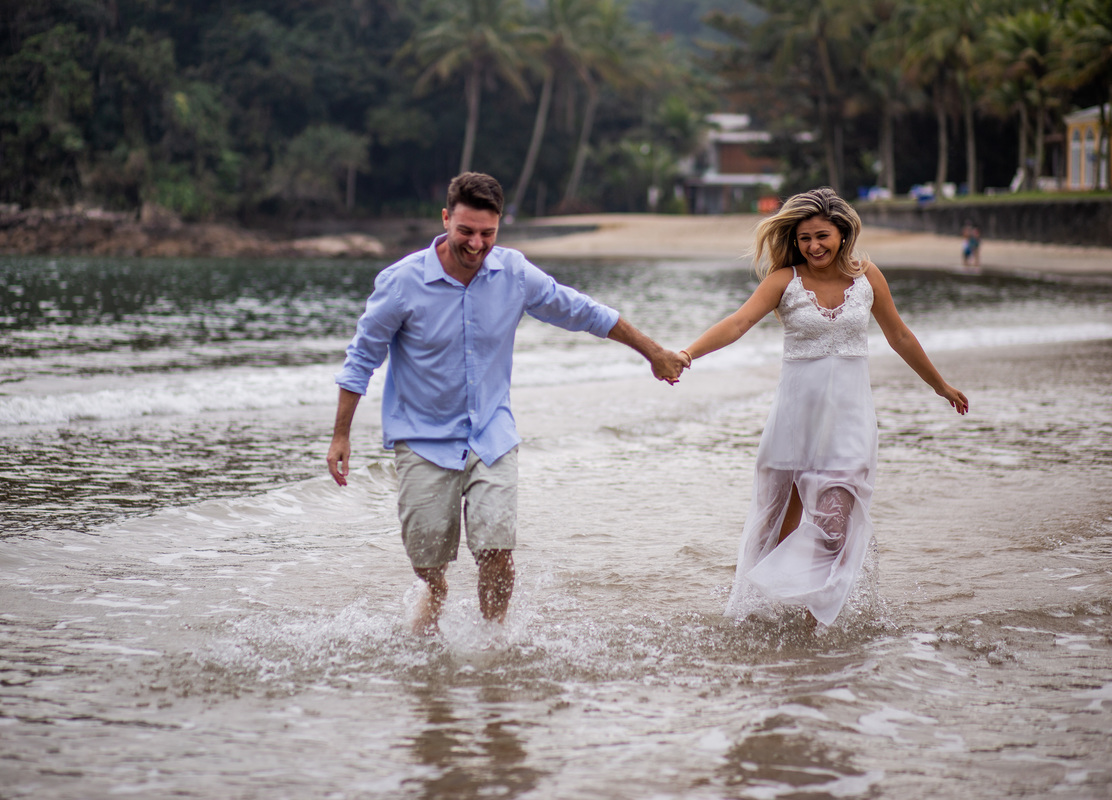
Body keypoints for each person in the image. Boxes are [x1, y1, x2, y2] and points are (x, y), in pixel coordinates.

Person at [328, 172, 687, 635]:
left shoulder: (514, 272)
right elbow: (361, 360)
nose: (477, 245)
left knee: (496, 550)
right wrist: (340, 435)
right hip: (421, 439)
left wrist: (653, 352)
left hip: (491, 435)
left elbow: (584, 312)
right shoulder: (401, 283)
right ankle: (434, 591)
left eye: (488, 233)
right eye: (466, 232)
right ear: (445, 219)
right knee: (427, 558)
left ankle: (493, 644)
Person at [676, 187, 968, 627]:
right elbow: (737, 323)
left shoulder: (867, 277)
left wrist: (939, 385)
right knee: (776, 522)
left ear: (843, 233)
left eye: (823, 236)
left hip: (849, 423)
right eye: (805, 238)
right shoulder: (784, 282)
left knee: (834, 526)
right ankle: (763, 612)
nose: (814, 246)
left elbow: (900, 336)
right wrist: (686, 355)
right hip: (795, 421)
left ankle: (814, 615)